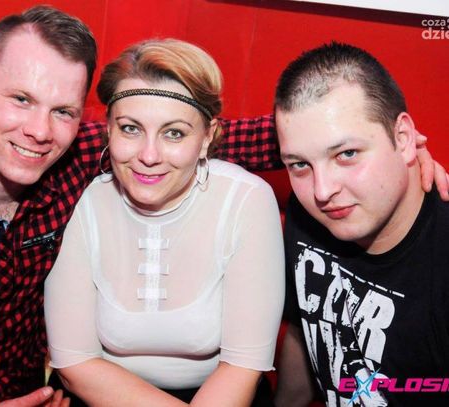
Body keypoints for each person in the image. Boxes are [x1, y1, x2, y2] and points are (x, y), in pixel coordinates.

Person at [0, 5, 445, 406]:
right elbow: (75, 359)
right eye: (21, 99)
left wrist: (396, 148)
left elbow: (286, 131)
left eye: (63, 111)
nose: (38, 130)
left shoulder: (72, 156)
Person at [44, 38, 285, 407]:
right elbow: (75, 363)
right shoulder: (83, 199)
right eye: (130, 128)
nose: (149, 155)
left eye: (174, 133)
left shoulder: (246, 200)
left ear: (207, 137)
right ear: (108, 129)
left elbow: (242, 367)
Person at [274, 42, 449, 406]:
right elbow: (307, 329)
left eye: (347, 154)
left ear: (404, 139)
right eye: (299, 165)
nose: (321, 191)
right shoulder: (306, 218)